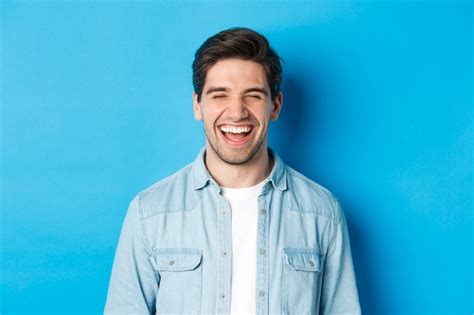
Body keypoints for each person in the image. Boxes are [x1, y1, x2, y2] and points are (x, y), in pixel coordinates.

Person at [104, 27, 361, 314]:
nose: (236, 112)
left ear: (275, 106)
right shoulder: (149, 213)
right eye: (219, 95)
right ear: (197, 105)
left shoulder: (322, 213)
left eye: (252, 95)